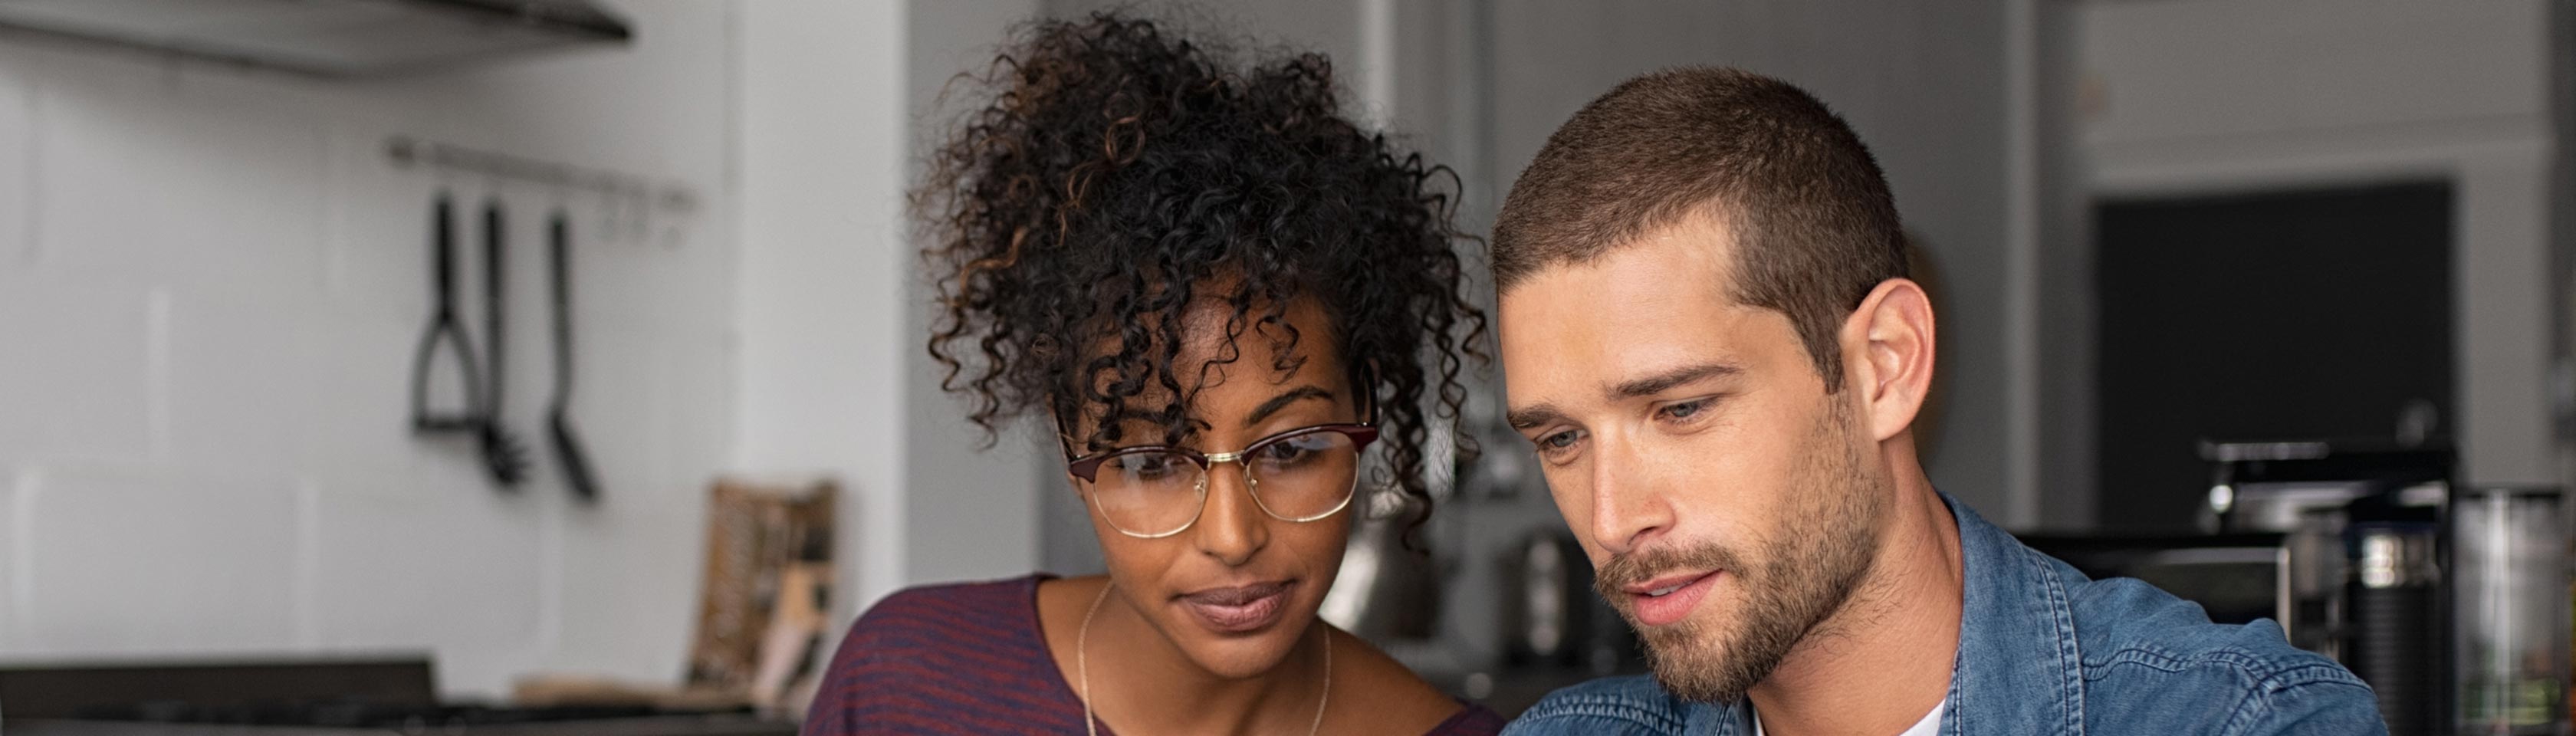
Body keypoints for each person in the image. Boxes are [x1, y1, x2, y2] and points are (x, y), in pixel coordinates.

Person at [1486, 67, 2383, 735]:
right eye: (1562, 438)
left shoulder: (2236, 722)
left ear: (1885, 365)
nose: (1611, 520)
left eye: (1680, 409)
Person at [802, 12, 1504, 736]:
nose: (1232, 538)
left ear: (1366, 410)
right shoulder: (905, 683)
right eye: (1152, 461)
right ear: (1071, 445)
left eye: (1290, 449)